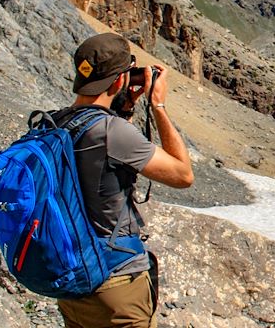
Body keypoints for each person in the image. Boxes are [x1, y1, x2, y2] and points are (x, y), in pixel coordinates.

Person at [53, 32, 194, 328]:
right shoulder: (110, 132)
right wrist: (158, 106)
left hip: (72, 282)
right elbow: (183, 175)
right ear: (119, 80)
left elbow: (108, 162)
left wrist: (127, 106)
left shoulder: (58, 123)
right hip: (116, 284)